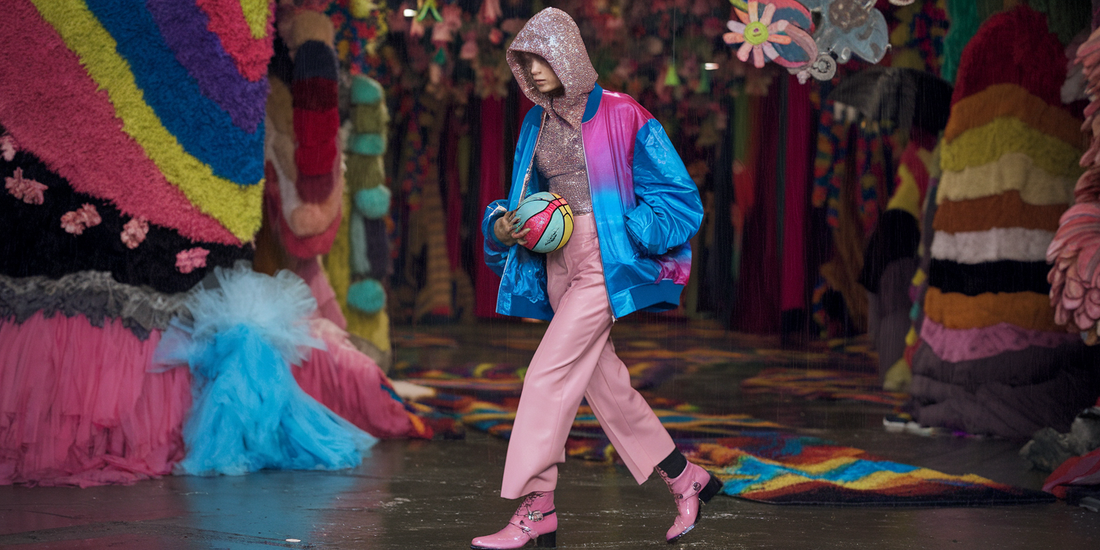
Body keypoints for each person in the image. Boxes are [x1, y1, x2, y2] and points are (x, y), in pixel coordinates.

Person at [473, 8, 715, 549]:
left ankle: (536, 509)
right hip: (554, 264)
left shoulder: (624, 113)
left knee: (545, 377)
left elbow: (681, 199)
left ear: (569, 54)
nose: (534, 71)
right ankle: (686, 479)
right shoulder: (533, 123)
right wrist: (501, 225)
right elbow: (518, 200)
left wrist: (626, 230)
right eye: (526, 62)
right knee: (606, 388)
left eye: (543, 58)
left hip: (603, 263)